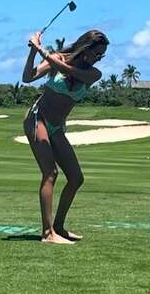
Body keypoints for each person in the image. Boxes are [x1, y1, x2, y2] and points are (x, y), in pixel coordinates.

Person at [22, 29, 109, 244]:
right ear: (86, 47)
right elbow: (27, 78)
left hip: (57, 126)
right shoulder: (57, 58)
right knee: (50, 172)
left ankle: (58, 227)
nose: (98, 58)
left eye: (101, 56)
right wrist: (33, 52)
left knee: (76, 177)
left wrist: (41, 49)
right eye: (97, 53)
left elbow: (67, 70)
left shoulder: (93, 74)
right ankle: (47, 233)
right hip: (37, 118)